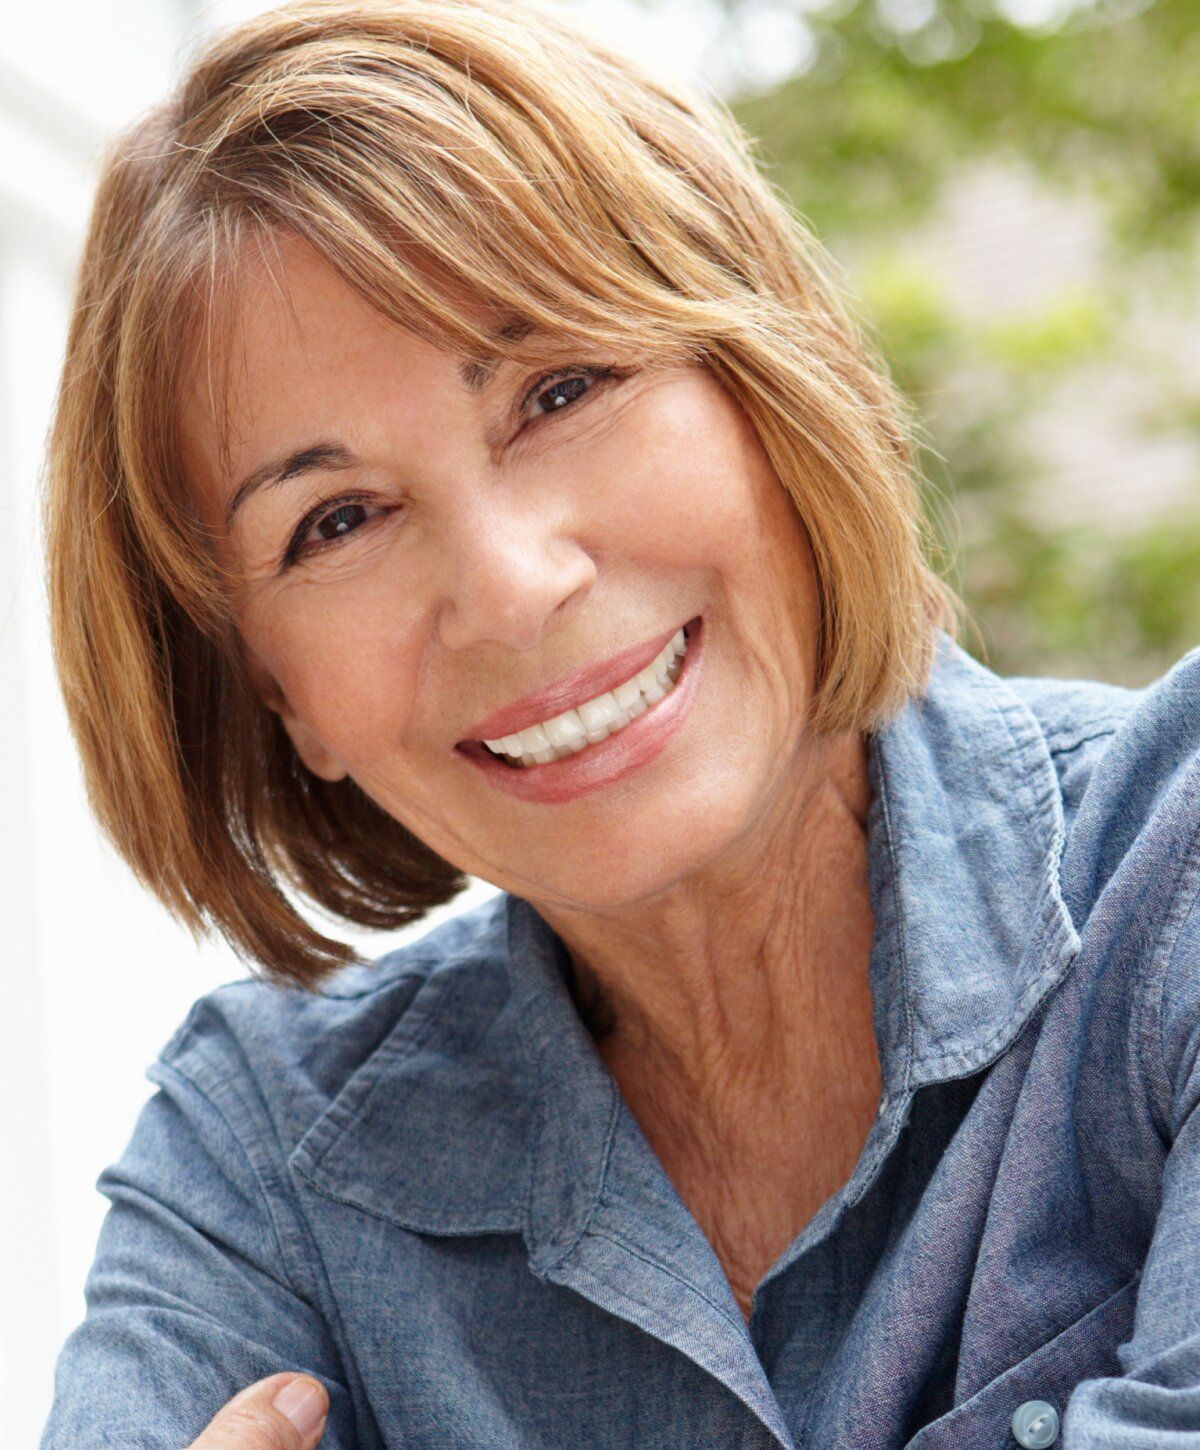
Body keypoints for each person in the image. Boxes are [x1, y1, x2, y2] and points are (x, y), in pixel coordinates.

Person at [36, 0, 1200, 1446]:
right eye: (335, 519)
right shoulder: (264, 1155)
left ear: (768, 386)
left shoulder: (1176, 863)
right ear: (271, 694)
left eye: (562, 388)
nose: (515, 591)